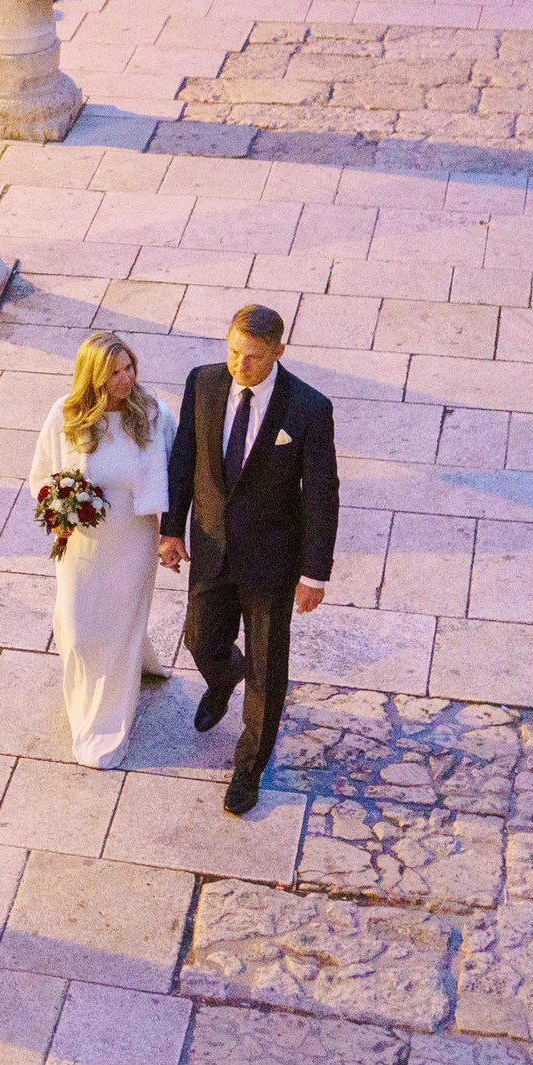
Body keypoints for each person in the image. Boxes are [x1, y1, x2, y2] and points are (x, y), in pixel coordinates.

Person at [161, 304, 341, 818]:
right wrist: (172, 528)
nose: (240, 365)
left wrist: (314, 574)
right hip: (212, 549)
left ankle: (249, 766)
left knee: (267, 669)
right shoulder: (203, 383)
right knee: (199, 638)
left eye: (254, 357)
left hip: (272, 563)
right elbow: (184, 460)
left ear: (279, 353)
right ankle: (223, 678)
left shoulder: (308, 408)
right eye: (233, 352)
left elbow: (321, 495)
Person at [27, 331, 174, 770]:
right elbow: (43, 475)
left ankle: (106, 723)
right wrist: (58, 514)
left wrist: (171, 535)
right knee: (76, 625)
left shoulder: (154, 414)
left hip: (132, 538)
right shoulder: (65, 415)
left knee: (118, 626)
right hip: (82, 543)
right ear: (94, 377)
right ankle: (125, 674)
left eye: (130, 368)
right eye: (115, 372)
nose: (127, 378)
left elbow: (177, 478)